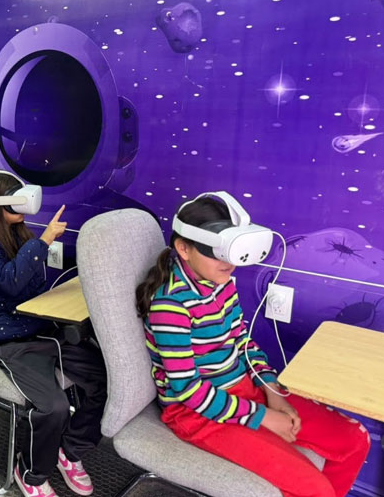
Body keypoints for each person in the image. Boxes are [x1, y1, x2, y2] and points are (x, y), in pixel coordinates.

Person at [136, 194, 371, 497]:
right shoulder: (170, 306)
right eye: (217, 254)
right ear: (184, 248)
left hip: (245, 389)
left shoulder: (222, 284)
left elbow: (243, 342)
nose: (229, 263)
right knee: (315, 490)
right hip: (197, 413)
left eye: (232, 253)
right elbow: (188, 390)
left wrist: (272, 390)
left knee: (355, 439)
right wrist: (263, 417)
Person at [0, 170, 107, 497]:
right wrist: (44, 241)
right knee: (54, 407)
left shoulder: (15, 231)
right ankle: (30, 473)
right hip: (6, 337)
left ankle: (71, 450)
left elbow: (30, 282)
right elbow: (9, 280)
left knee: (103, 378)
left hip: (39, 327)